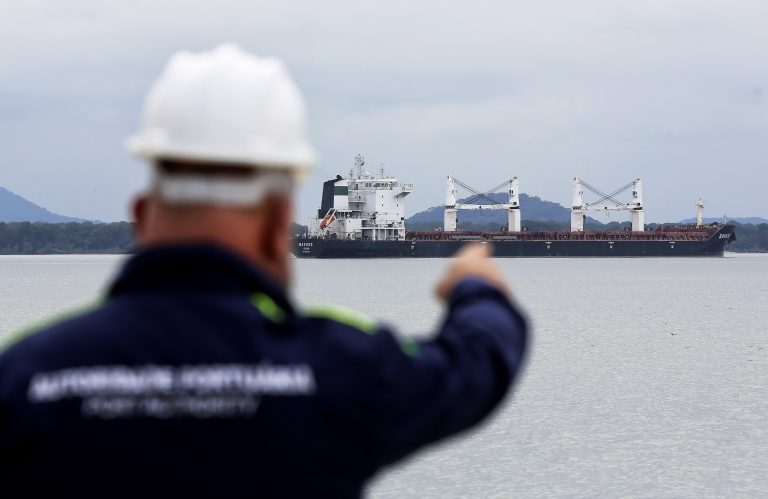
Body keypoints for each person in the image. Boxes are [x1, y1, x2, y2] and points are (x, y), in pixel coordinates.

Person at [0, 44, 528, 498]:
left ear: (140, 215)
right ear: (280, 221)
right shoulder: (338, 368)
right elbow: (477, 364)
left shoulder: (24, 376)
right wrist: (475, 286)